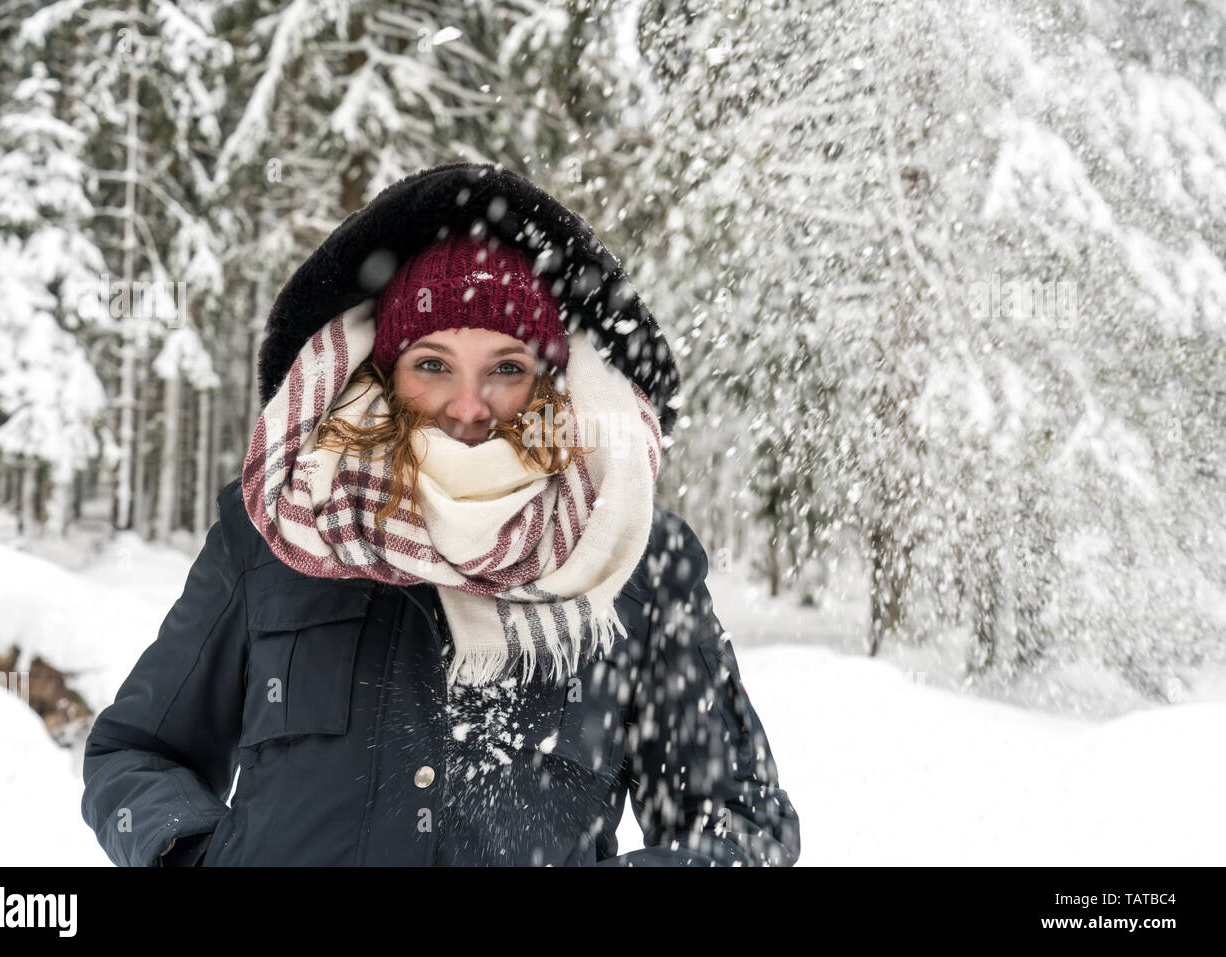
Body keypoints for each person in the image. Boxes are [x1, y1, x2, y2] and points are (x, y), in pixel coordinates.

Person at [80, 162, 801, 866]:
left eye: (507, 368)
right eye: (432, 364)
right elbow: (138, 751)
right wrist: (191, 850)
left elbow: (740, 823)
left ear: (552, 380)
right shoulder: (278, 527)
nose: (468, 406)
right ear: (384, 370)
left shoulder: (631, 553)